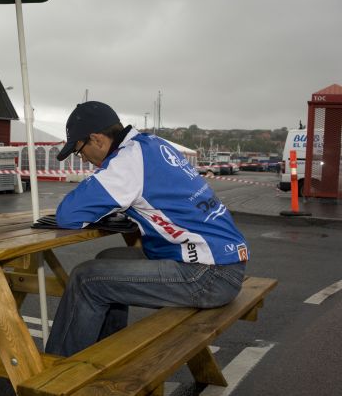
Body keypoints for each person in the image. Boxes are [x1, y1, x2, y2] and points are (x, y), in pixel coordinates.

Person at [45, 101, 249, 357]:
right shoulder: (151, 144)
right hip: (225, 262)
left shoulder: (126, 162)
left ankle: (59, 375)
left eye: (79, 150)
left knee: (86, 279)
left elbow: (68, 215)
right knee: (108, 260)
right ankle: (105, 355)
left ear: (96, 139)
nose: (83, 159)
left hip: (208, 276)